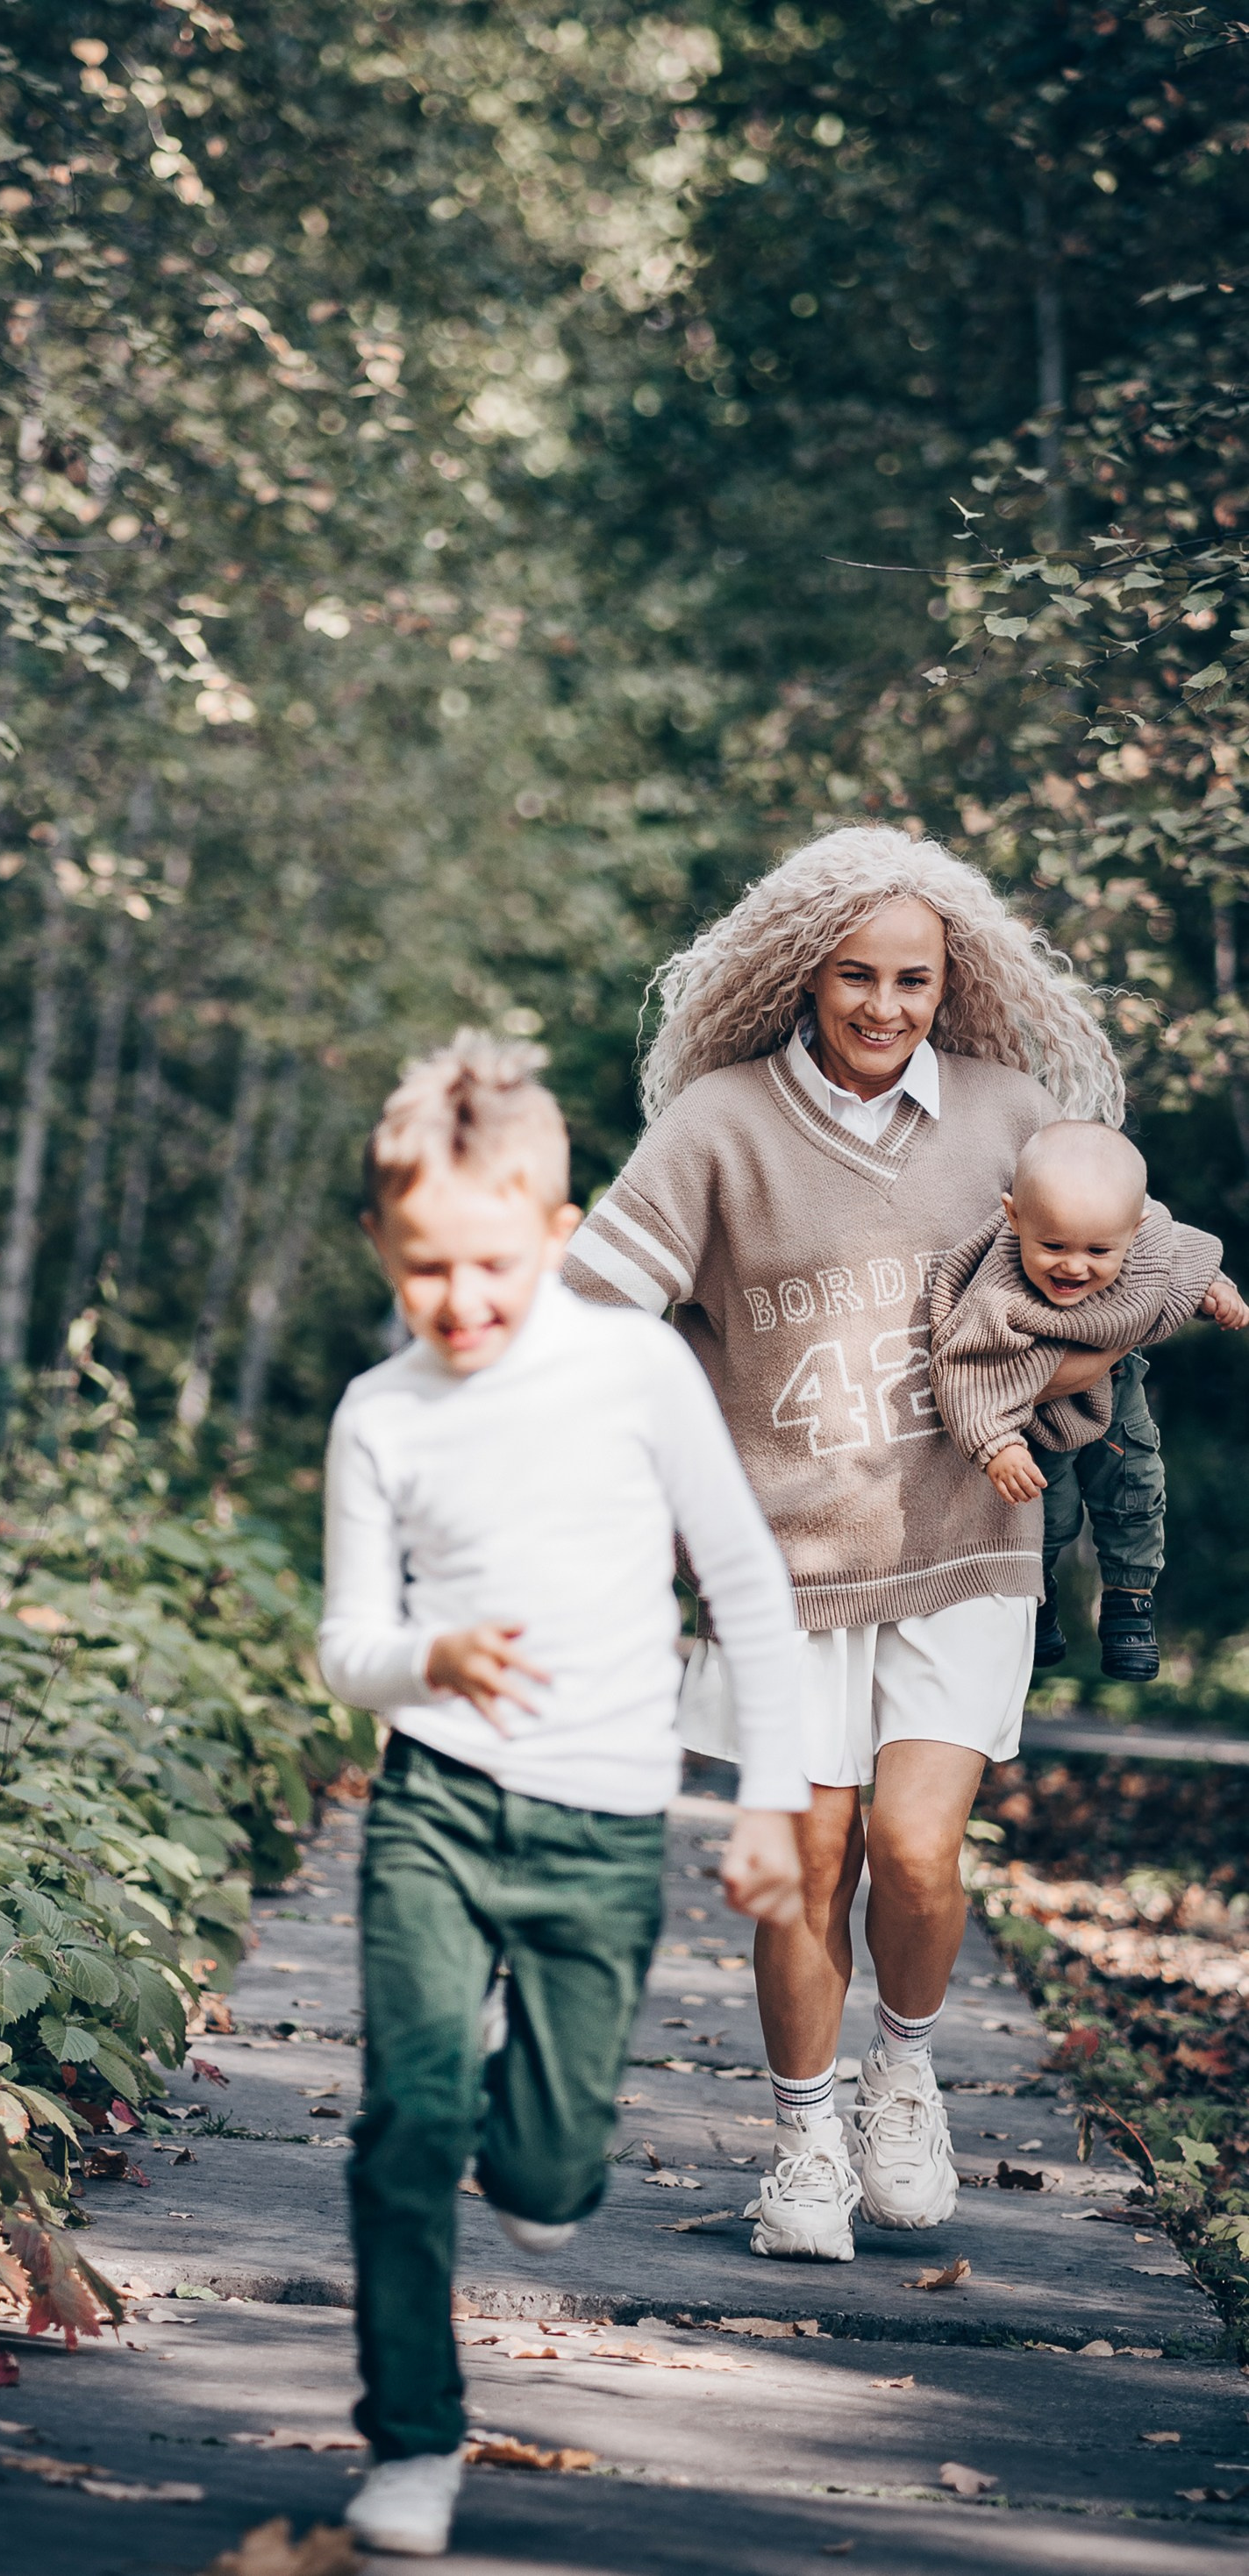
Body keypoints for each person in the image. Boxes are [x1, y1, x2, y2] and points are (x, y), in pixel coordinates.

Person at [562, 825, 1124, 2265]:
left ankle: (905, 2073)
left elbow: (1112, 1276)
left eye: (913, 981)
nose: (882, 1007)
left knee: (917, 1852)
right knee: (805, 1860)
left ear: (953, 984)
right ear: (801, 973)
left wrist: (1071, 1381)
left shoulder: (1009, 1113)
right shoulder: (718, 1127)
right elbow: (589, 1315)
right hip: (781, 1572)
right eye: (854, 975)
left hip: (962, 1546)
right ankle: (804, 2134)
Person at [319, 1032, 808, 2558]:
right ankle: (410, 2437)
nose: (456, 1303)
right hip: (439, 1812)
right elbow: (347, 1648)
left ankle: (531, 2146)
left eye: (486, 1264)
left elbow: (746, 1584)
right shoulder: (378, 1415)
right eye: (421, 1273)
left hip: (601, 1827)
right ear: (382, 1252)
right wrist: (428, 1654)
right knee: (406, 2117)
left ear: (550, 1225)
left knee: (542, 2169)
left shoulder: (632, 1365)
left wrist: (768, 1802)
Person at [928, 1121, 1247, 1679]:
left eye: (1099, 1250)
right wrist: (995, 1443)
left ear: (1134, 1229)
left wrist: (1214, 1289)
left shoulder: (1147, 1242)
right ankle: (1042, 1598)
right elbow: (964, 1366)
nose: (1073, 1267)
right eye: (1052, 1246)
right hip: (1041, 1420)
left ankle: (1129, 1602)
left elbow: (1181, 1263)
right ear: (1014, 1218)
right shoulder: (997, 1288)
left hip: (1118, 1393)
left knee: (1137, 1491)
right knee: (1046, 1514)